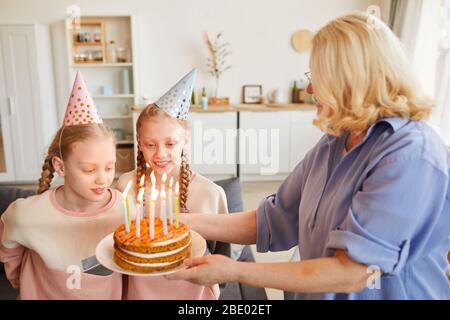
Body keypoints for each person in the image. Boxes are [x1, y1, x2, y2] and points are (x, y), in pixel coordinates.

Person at [167, 13, 450, 299]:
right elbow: (274, 219)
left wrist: (232, 270)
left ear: (353, 80)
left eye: (319, 77)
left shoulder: (410, 155)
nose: (310, 88)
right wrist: (183, 221)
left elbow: (351, 272)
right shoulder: (334, 142)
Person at [0, 71, 123, 299]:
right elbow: (9, 252)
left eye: (109, 167)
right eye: (89, 169)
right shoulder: (25, 215)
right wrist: (24, 284)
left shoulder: (126, 208)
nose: (102, 179)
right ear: (61, 166)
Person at [115, 69, 228, 300]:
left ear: (186, 139)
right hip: (139, 293)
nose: (160, 154)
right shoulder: (126, 185)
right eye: (150, 145)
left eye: (170, 143)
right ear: (139, 142)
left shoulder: (210, 193)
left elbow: (222, 256)